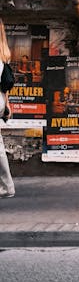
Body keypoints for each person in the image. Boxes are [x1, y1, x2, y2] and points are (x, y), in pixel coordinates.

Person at [0, 19, 15, 198]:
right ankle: (6, 186)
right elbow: (5, 85)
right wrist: (7, 105)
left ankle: (7, 186)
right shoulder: (3, 52)